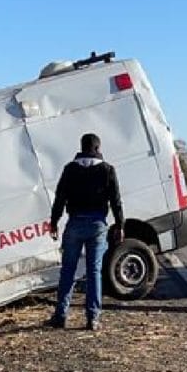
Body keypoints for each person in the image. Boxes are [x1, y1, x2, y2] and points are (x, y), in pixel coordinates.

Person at [47, 133, 124, 331]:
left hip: (75, 223)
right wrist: (120, 225)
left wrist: (54, 221)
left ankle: (61, 315)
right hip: (98, 225)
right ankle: (93, 318)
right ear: (98, 148)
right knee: (94, 271)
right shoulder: (108, 170)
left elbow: (60, 198)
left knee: (68, 271)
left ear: (81, 147)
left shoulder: (70, 169)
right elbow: (115, 200)